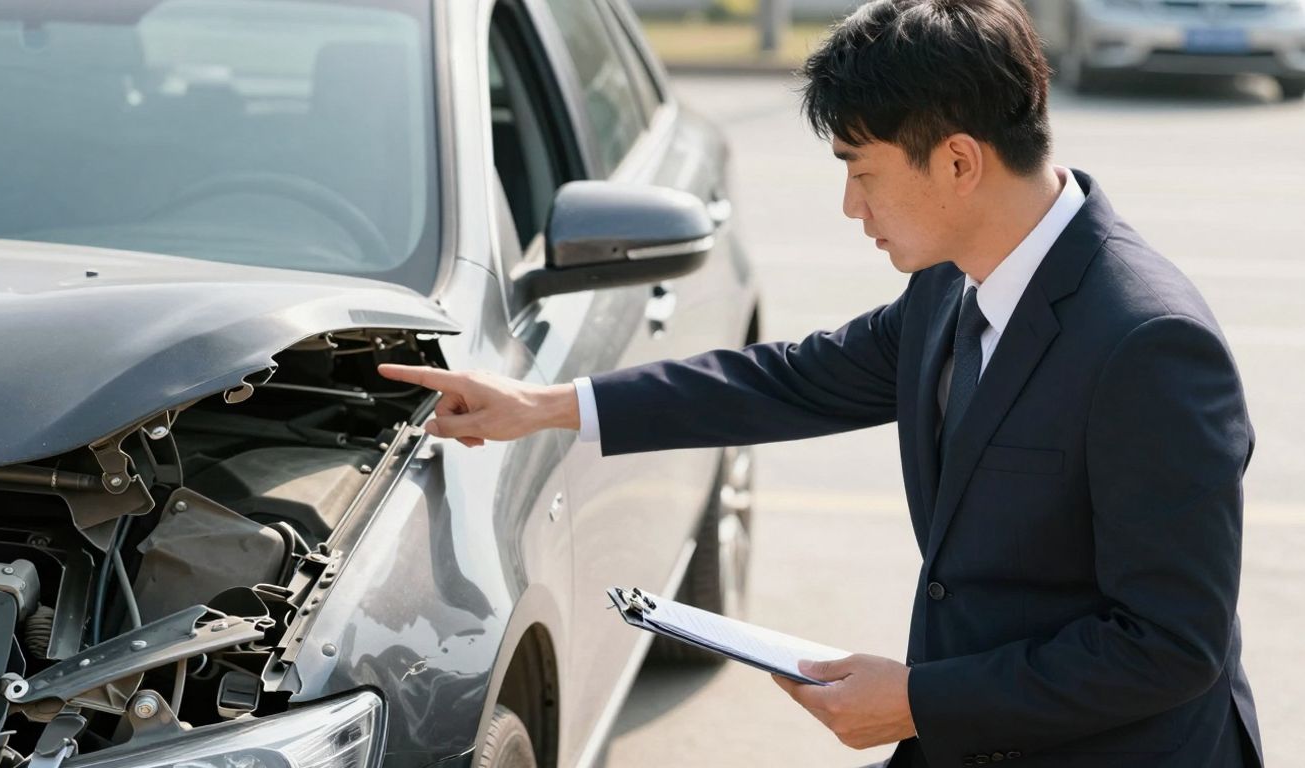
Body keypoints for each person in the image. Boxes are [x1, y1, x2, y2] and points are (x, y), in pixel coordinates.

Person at [378, 0, 1262, 764]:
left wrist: (919, 700)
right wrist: (548, 407)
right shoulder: (953, 281)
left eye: (862, 171)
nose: (851, 207)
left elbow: (1169, 645)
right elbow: (791, 380)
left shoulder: (1149, 344)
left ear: (958, 162)